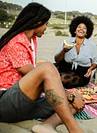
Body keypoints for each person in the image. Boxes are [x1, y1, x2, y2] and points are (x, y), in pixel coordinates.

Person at [0, 3, 84, 133]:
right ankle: (75, 130)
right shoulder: (16, 41)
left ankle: (48, 125)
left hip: (26, 103)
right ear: (38, 22)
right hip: (6, 103)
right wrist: (67, 94)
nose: (46, 27)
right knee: (48, 68)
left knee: (77, 101)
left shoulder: (32, 40)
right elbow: (32, 73)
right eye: (46, 23)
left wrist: (71, 96)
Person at [54, 15, 97, 89]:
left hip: (81, 73)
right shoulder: (67, 41)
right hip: (65, 67)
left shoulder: (92, 45)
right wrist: (64, 51)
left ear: (87, 32)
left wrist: (91, 69)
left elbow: (96, 62)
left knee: (61, 79)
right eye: (79, 27)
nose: (81, 29)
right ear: (75, 30)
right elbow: (57, 59)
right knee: (47, 70)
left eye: (84, 28)